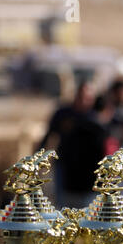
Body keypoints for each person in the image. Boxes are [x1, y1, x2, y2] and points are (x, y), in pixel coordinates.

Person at [39, 81, 111, 209]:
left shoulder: (96, 121)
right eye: (81, 97)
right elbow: (49, 136)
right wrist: (39, 157)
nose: (84, 101)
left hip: (88, 174)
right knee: (65, 207)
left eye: (88, 98)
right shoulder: (63, 114)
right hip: (66, 167)